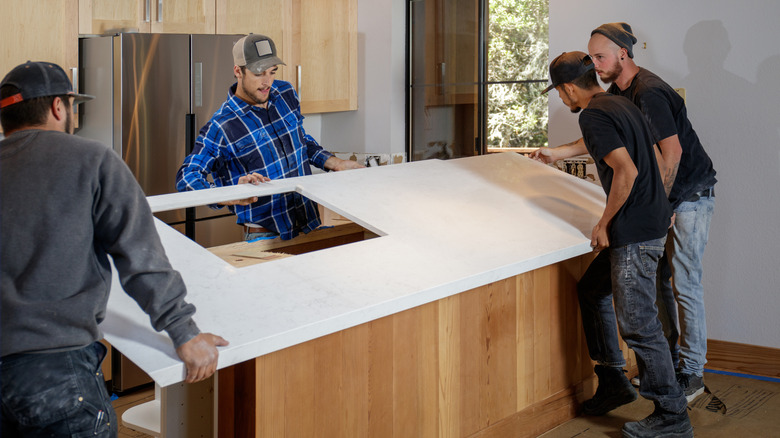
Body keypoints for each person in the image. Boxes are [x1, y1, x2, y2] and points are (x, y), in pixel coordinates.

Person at [0, 61, 228, 437]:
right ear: (59, 107)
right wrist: (184, 332)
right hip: (55, 371)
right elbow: (141, 257)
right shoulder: (91, 160)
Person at [540, 51, 692, 438]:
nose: (561, 99)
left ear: (569, 88)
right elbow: (649, 156)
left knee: (639, 325)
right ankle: (612, 381)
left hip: (634, 231)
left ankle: (671, 415)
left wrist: (604, 223)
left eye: (559, 92)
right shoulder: (618, 104)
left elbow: (626, 169)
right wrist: (556, 152)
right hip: (651, 221)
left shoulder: (594, 114)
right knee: (592, 291)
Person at [176, 34, 363, 242]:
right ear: (238, 71)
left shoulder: (285, 93)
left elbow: (299, 139)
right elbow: (187, 177)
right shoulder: (222, 125)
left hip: (309, 224)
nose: (267, 82)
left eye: (272, 72)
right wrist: (227, 194)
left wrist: (335, 163)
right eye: (259, 74)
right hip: (265, 237)